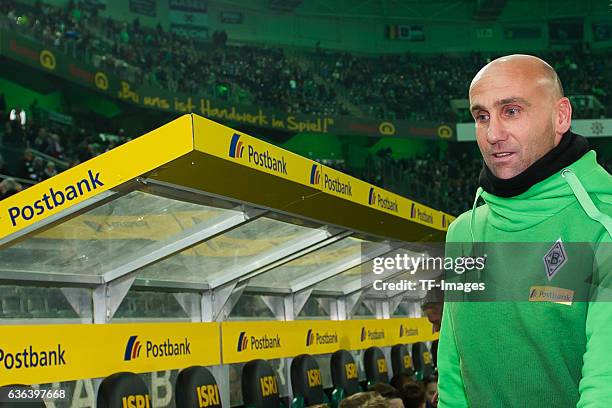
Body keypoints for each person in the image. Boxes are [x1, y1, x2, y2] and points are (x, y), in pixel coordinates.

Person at [437, 54, 612, 407]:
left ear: (560, 116)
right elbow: (454, 372)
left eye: (511, 111)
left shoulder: (601, 227)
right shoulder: (462, 231)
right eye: (481, 116)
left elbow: (604, 386)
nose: (493, 134)